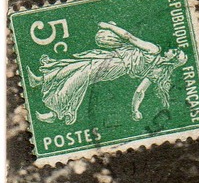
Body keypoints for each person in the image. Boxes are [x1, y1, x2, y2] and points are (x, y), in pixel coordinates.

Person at [28, 21, 187, 125]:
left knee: (80, 75)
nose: (172, 50)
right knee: (77, 65)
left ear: (172, 59)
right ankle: (41, 79)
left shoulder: (154, 50)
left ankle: (55, 112)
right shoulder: (157, 72)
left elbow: (129, 37)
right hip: (112, 58)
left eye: (175, 52)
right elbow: (139, 91)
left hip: (115, 64)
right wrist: (135, 110)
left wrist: (110, 27)